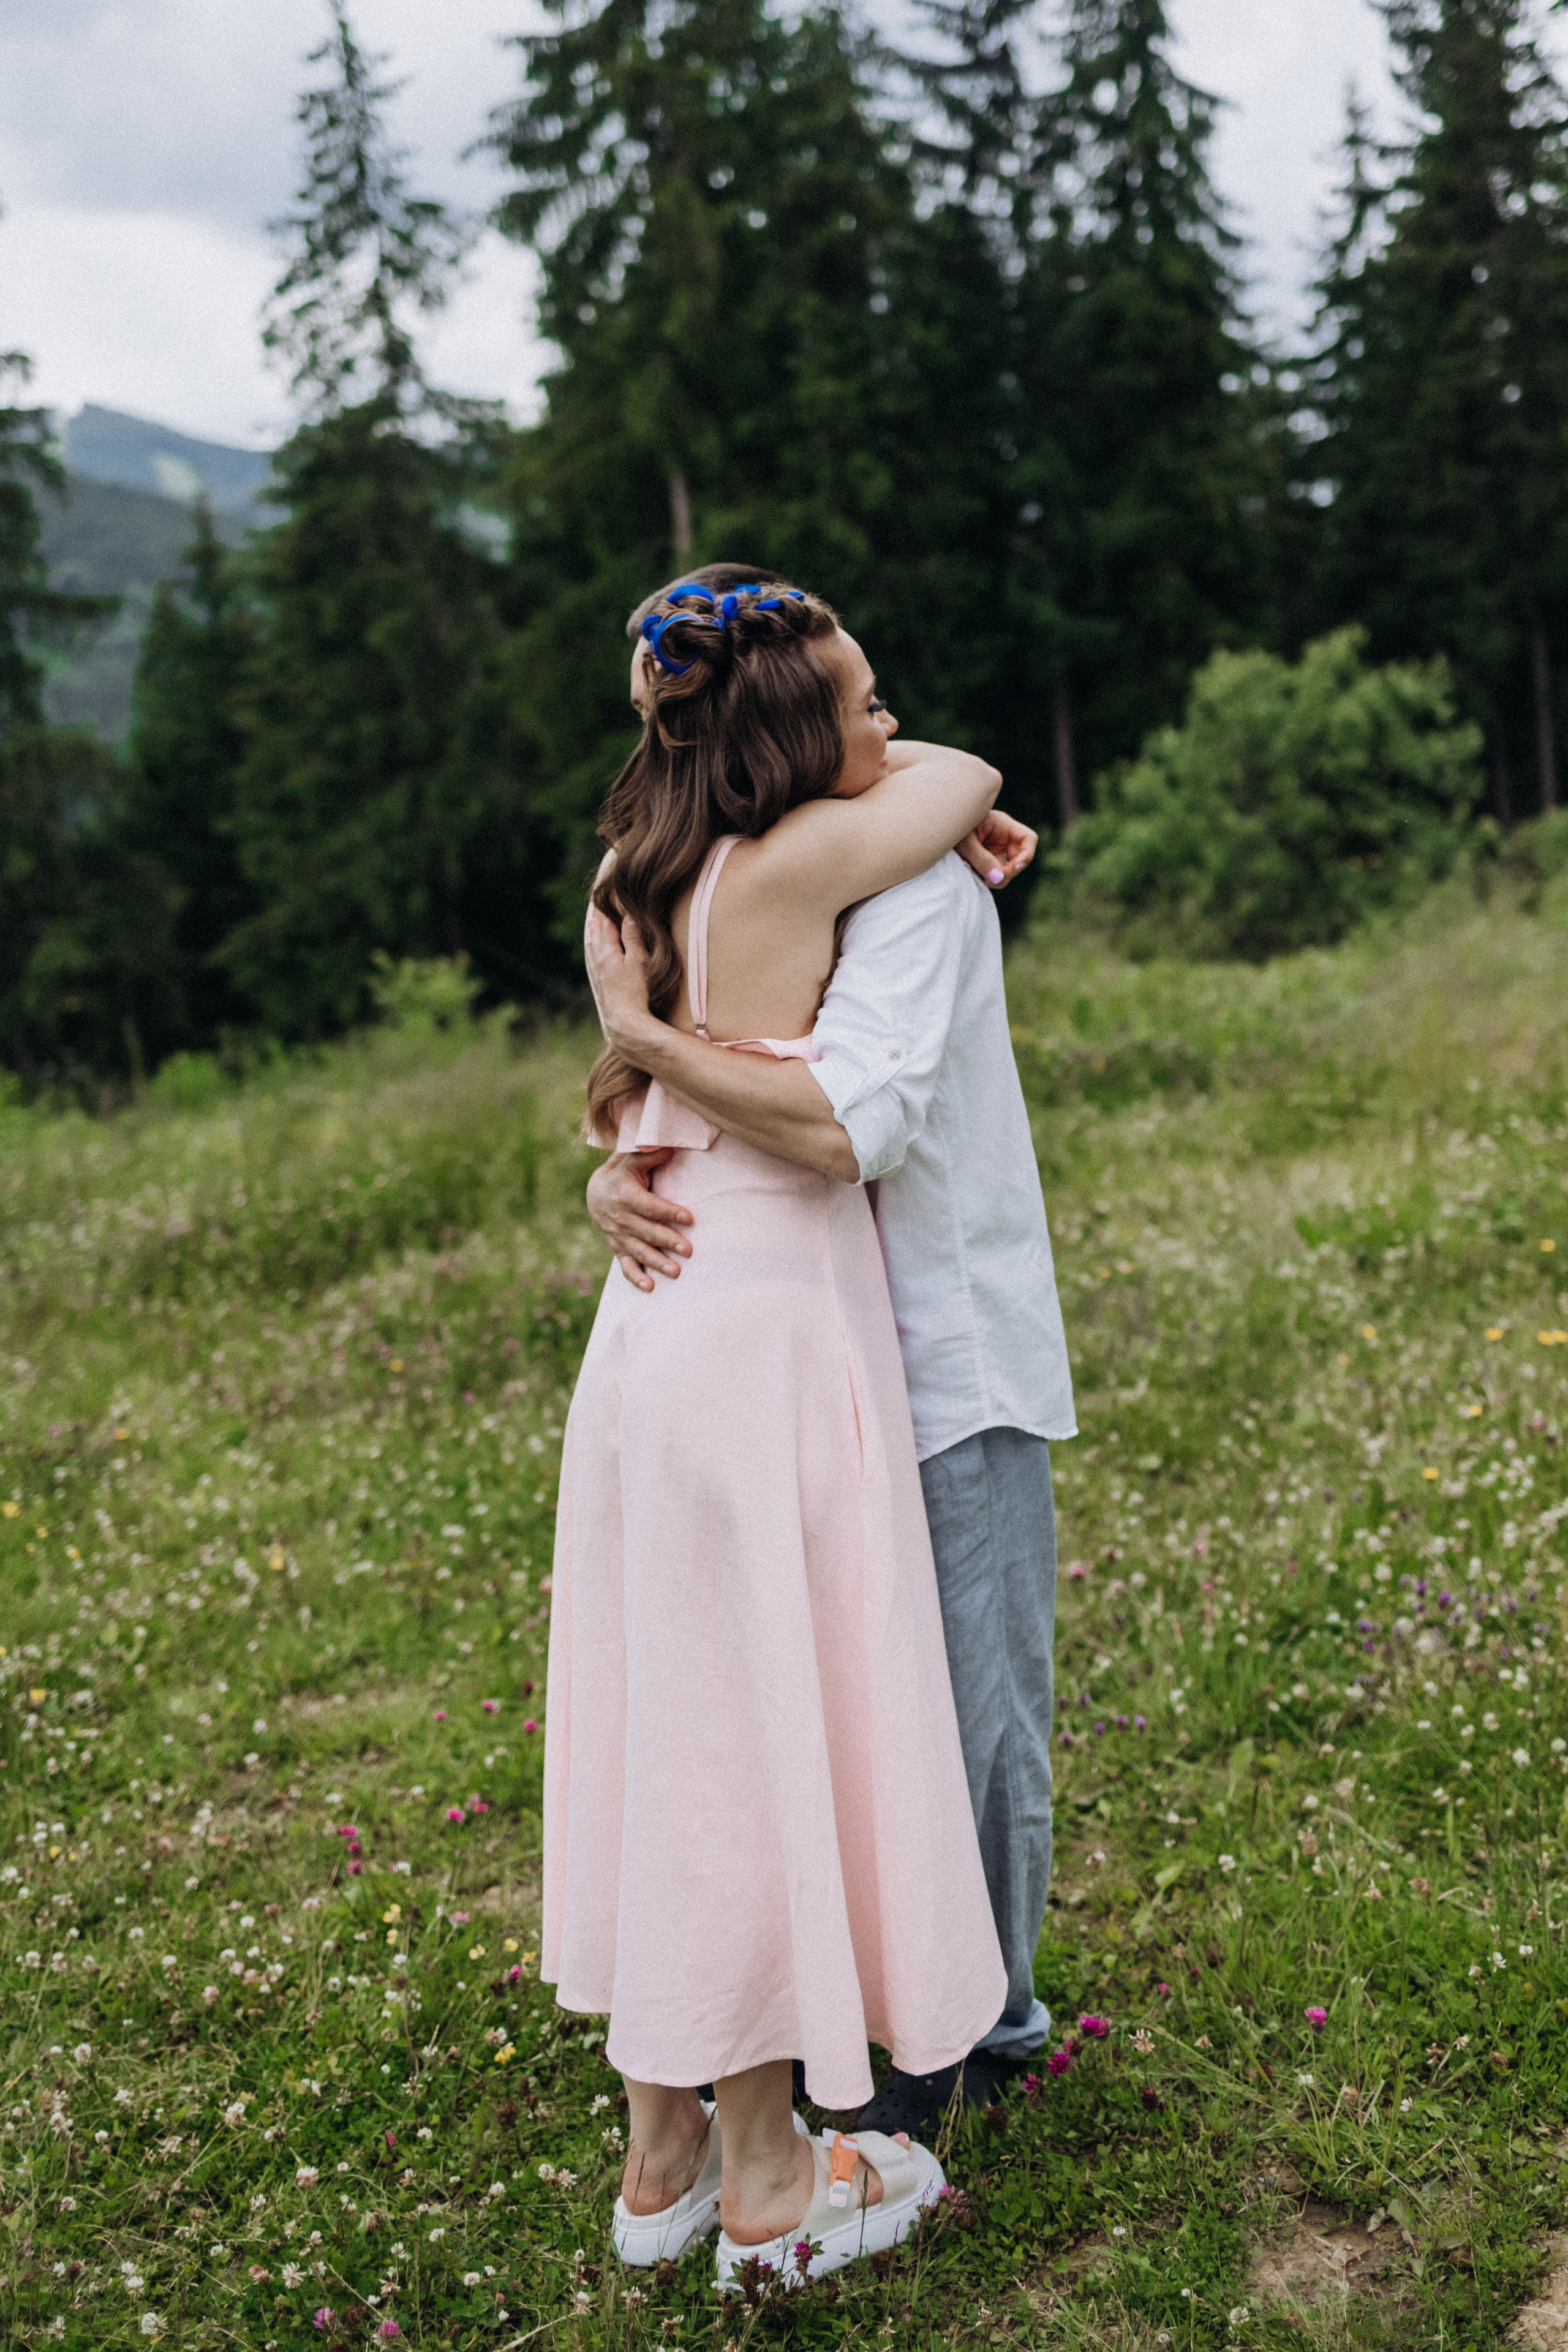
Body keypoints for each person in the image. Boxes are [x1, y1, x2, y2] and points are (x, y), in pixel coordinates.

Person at [543, 576, 1009, 2288]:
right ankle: (764, 2184)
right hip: (759, 1325)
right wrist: (930, 797)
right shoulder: (810, 862)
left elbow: (632, 1098)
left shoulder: (638, 871)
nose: (889, 722)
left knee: (667, 1717)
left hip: (647, 1328)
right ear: (797, 744)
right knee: (741, 1734)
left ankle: (660, 2153)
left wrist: (639, 1059)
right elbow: (967, 776)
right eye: (859, 701)